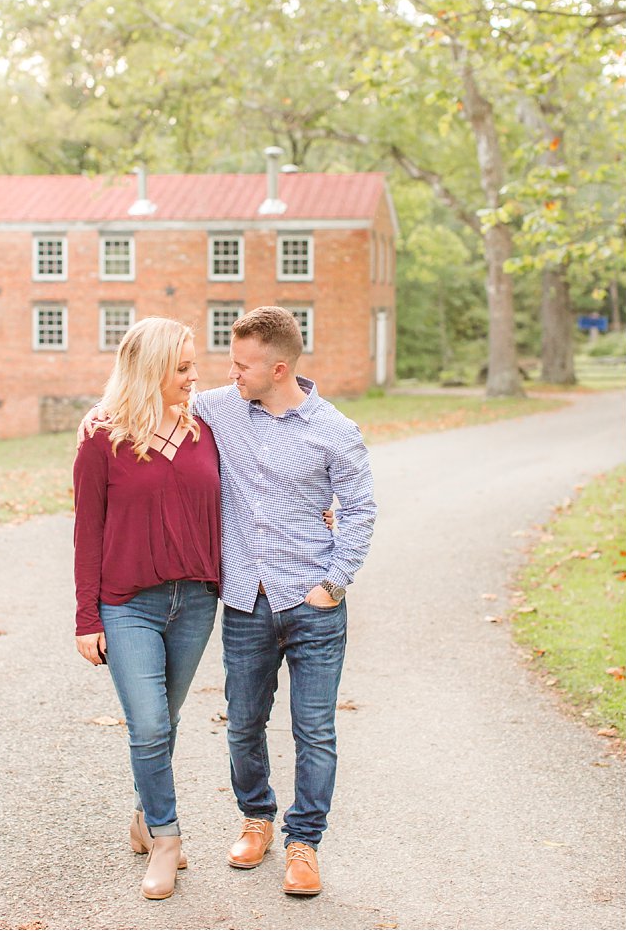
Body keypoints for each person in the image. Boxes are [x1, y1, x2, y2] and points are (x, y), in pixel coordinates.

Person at [192, 306, 376, 898]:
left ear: (277, 368)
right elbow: (155, 406)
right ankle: (257, 818)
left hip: (312, 604)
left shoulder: (336, 430)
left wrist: (334, 583)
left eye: (241, 364)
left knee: (315, 730)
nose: (230, 372)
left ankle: (304, 844)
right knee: (244, 723)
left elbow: (360, 509)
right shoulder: (221, 409)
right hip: (246, 599)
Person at [74, 317, 221, 901]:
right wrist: (87, 618)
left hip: (195, 603)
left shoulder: (205, 428)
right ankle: (167, 838)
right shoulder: (101, 434)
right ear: (151, 368)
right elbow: (88, 531)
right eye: (182, 368)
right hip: (128, 604)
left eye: (193, 366)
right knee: (151, 723)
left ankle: (144, 814)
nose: (193, 377)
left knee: (166, 720)